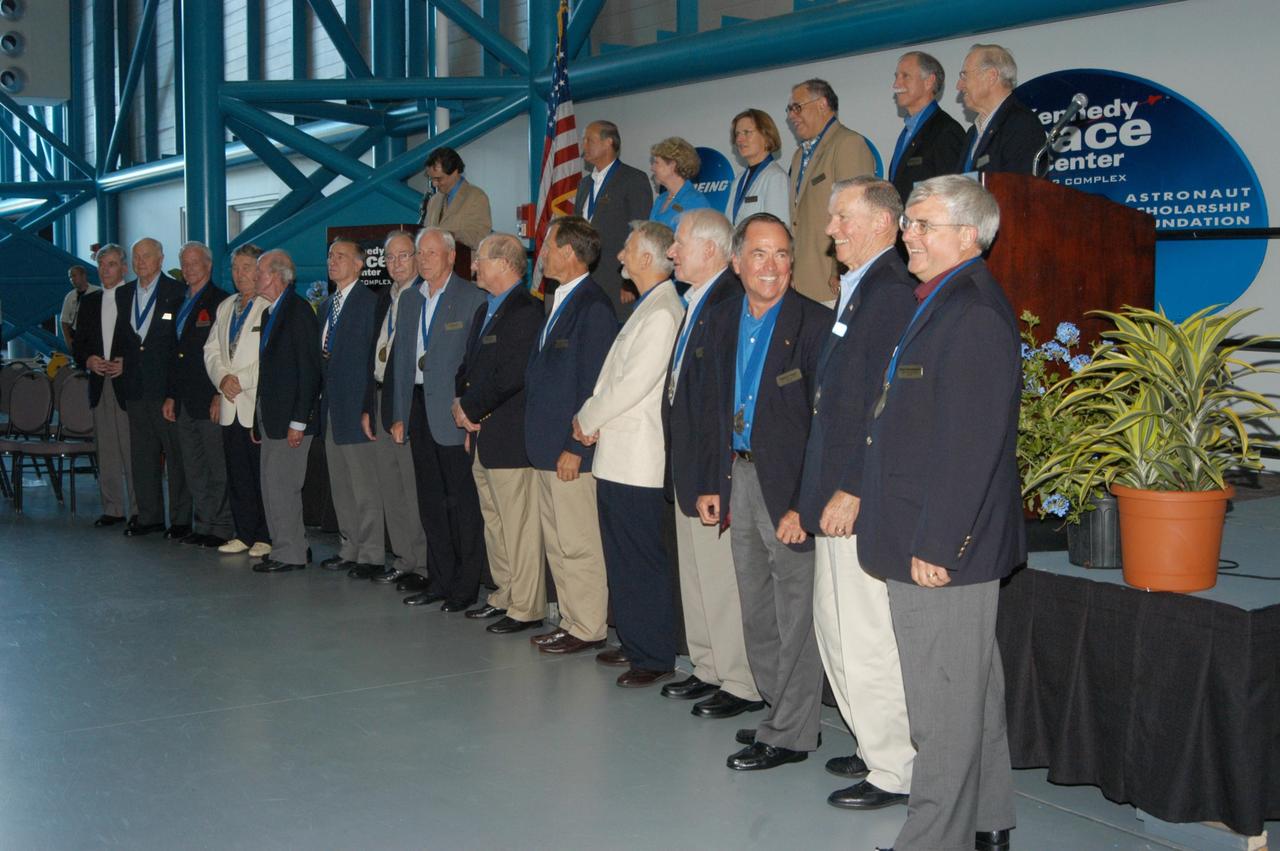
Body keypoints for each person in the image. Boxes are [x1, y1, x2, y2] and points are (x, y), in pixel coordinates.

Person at [858, 175, 1022, 851]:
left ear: (967, 235)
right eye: (909, 223)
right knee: (970, 693)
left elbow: (970, 447)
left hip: (944, 544)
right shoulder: (944, 300)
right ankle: (989, 820)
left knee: (941, 709)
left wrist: (939, 544)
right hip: (933, 532)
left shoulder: (973, 311)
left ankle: (932, 840)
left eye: (923, 224)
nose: (908, 234)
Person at [796, 177, 918, 810]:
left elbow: (883, 408)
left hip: (856, 499)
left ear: (882, 223)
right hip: (829, 497)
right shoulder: (858, 290)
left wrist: (850, 489)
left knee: (866, 634)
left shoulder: (892, 294)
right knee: (836, 631)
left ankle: (896, 767)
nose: (831, 229)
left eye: (842, 217)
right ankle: (874, 745)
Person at [695, 213, 829, 771]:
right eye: (758, 254)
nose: (770, 267)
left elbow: (829, 427)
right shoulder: (722, 318)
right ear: (736, 262)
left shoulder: (816, 324)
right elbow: (706, 407)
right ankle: (782, 712)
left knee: (794, 613)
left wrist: (805, 501)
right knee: (756, 608)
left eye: (781, 255)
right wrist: (710, 483)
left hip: (789, 489)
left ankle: (794, 732)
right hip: (737, 477)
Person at [572, 220, 684, 687]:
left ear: (647, 258)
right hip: (619, 453)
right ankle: (636, 640)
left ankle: (654, 655)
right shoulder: (648, 305)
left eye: (627, 249)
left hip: (638, 456)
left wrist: (587, 417)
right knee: (622, 555)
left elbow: (634, 383)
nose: (618, 256)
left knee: (640, 558)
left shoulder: (662, 311)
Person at [661, 209, 762, 719]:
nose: (671, 252)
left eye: (678, 243)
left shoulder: (727, 301)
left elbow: (722, 402)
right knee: (698, 579)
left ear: (710, 249)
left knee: (722, 582)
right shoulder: (698, 300)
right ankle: (706, 667)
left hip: (710, 471)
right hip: (688, 467)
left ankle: (740, 681)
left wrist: (713, 477)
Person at [523, 216, 618, 655]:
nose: (542, 252)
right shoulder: (559, 300)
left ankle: (588, 626)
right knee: (558, 543)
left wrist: (575, 448)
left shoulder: (593, 307)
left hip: (569, 452)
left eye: (550, 245)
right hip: (544, 448)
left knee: (577, 542)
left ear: (569, 253)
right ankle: (571, 618)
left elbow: (592, 389)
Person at [390, 227, 488, 611]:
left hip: (453, 411)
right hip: (416, 408)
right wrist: (399, 414)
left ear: (451, 256)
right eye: (420, 253)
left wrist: (470, 414)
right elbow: (401, 361)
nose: (424, 259)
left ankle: (465, 587)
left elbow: (476, 364)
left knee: (461, 503)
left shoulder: (472, 297)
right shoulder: (411, 299)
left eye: (432, 252)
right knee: (430, 502)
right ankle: (439, 580)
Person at [453, 234, 547, 634]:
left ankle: (526, 607)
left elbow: (511, 375)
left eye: (480, 259)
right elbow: (468, 366)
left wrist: (472, 409)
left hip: (508, 435)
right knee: (494, 521)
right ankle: (505, 594)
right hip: (481, 435)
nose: (474, 266)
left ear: (506, 263)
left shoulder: (526, 310)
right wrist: (461, 404)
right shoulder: (484, 309)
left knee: (517, 524)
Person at [361, 231, 429, 588]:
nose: (397, 264)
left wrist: (400, 410)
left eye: (404, 256)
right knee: (390, 487)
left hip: (407, 402)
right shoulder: (384, 299)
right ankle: (404, 559)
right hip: (380, 397)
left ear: (417, 258)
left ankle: (422, 565)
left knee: (412, 487)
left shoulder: (423, 296)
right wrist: (367, 406)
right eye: (390, 258)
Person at [314, 239, 383, 579]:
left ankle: (370, 554)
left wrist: (367, 406)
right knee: (340, 485)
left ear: (360, 264)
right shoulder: (326, 306)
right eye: (329, 256)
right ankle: (349, 547)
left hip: (357, 409)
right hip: (331, 409)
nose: (333, 261)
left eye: (341, 256)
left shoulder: (370, 303)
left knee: (364, 486)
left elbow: (373, 361)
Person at [251, 249, 322, 573]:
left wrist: (298, 420)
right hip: (273, 416)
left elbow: (309, 371)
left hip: (291, 419)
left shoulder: (298, 312)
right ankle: (290, 546)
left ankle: (289, 553)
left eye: (260, 272)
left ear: (278, 275)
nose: (254, 278)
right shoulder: (270, 313)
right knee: (272, 485)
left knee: (284, 486)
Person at [116, 238, 190, 538]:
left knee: (175, 456)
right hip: (134, 387)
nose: (140, 261)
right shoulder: (124, 294)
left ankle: (182, 519)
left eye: (146, 256)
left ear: (161, 259)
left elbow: (179, 345)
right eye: (136, 257)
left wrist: (174, 390)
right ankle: (149, 517)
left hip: (165, 389)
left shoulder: (176, 291)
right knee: (142, 456)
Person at [203, 243, 272, 558]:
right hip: (230, 401)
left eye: (246, 267)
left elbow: (270, 355)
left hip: (254, 402)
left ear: (260, 270)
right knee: (237, 473)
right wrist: (222, 379)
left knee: (260, 474)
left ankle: (265, 535)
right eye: (235, 268)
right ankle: (243, 533)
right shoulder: (226, 306)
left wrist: (240, 381)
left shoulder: (269, 305)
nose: (240, 274)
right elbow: (211, 350)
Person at [161, 242, 232, 549]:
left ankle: (222, 527)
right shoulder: (177, 302)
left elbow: (226, 354)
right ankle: (203, 523)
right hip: (183, 399)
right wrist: (170, 396)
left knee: (217, 466)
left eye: (194, 263)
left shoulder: (221, 302)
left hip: (209, 397)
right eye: (184, 264)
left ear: (208, 265)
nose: (189, 269)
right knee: (193, 466)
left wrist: (219, 394)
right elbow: (172, 354)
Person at [786, 78, 875, 306]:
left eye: (797, 107)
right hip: (802, 282)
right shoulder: (798, 157)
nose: (791, 116)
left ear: (822, 104)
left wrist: (840, 270)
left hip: (832, 283)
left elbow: (856, 216)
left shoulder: (848, 144)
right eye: (789, 109)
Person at [71, 244, 136, 527]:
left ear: (124, 267)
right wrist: (88, 360)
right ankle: (113, 508)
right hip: (99, 382)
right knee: (106, 449)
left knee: (132, 450)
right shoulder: (89, 302)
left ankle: (139, 511)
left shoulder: (136, 298)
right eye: (101, 264)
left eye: (111, 264)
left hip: (127, 383)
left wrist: (127, 363)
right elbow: (78, 344)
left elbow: (146, 344)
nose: (105, 270)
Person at [573, 120, 653, 317]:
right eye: (583, 141)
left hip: (616, 281)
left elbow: (639, 232)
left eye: (589, 141)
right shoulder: (584, 184)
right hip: (584, 278)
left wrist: (629, 281)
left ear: (608, 142)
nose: (584, 147)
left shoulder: (633, 179)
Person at [956, 44, 1046, 176]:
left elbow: (1020, 188)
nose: (959, 85)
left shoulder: (1021, 124)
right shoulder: (972, 133)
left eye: (964, 76)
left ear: (991, 76)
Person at [888, 51, 967, 203]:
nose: (896, 85)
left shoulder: (946, 131)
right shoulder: (906, 133)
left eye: (905, 76)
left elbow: (952, 196)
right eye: (896, 77)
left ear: (929, 81)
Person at [418, 146, 493, 252]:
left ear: (455, 172)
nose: (434, 184)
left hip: (464, 265)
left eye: (439, 179)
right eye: (431, 179)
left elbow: (480, 237)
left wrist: (450, 235)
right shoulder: (434, 200)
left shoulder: (476, 197)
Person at [729, 109, 790, 225]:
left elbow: (778, 230)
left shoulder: (776, 178)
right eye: (737, 134)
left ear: (766, 136)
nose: (739, 139)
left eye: (747, 132)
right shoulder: (738, 180)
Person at [648, 137, 711, 230]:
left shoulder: (696, 202)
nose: (652, 168)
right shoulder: (660, 199)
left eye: (656, 163)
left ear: (673, 165)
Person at [60, 264, 98, 350]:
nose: (72, 279)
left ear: (83, 275)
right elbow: (64, 320)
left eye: (74, 276)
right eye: (70, 277)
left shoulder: (97, 292)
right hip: (77, 336)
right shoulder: (70, 296)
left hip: (95, 336)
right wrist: (68, 340)